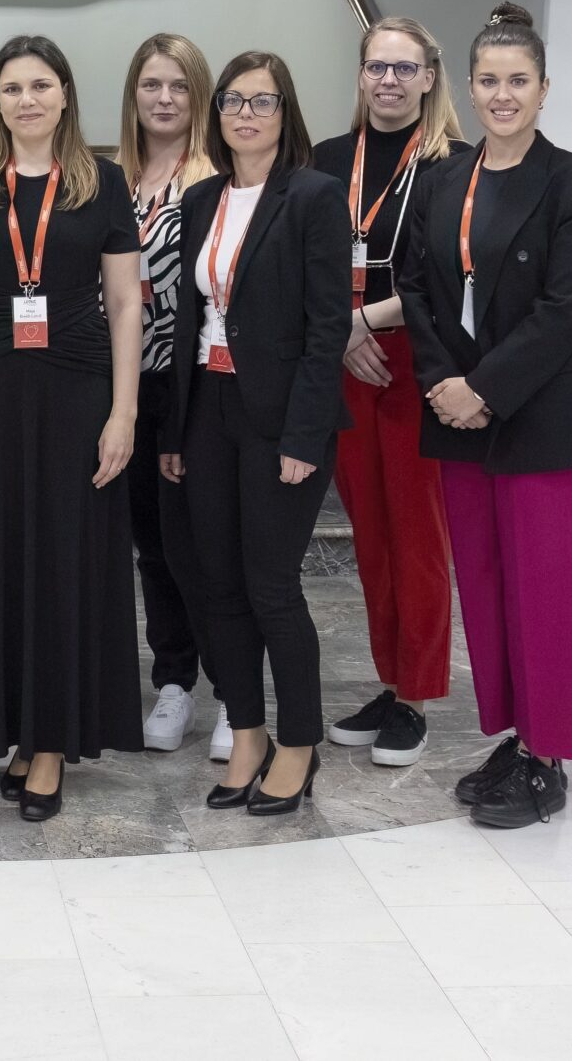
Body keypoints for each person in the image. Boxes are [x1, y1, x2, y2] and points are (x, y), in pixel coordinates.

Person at [398, 3, 572, 830]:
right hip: (460, 411)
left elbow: (568, 308)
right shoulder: (443, 179)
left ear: (544, 89)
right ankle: (517, 735)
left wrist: (483, 388)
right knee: (489, 584)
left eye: (519, 81)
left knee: (549, 591)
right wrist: (442, 379)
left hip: (544, 412)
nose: (503, 95)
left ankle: (550, 754)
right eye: (490, 80)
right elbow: (415, 285)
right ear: (469, 87)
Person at [0, 34, 146, 820]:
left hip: (78, 396)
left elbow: (125, 302)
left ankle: (50, 741)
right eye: (12, 87)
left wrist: (124, 412)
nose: (27, 100)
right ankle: (20, 728)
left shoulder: (102, 182)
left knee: (62, 564)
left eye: (41, 85)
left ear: (65, 95)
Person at [159, 52, 352, 816]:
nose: (246, 113)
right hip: (207, 407)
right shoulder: (201, 198)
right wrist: (175, 429)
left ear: (285, 111)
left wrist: (305, 435)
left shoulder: (314, 196)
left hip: (281, 419)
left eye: (262, 101)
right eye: (234, 100)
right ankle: (246, 732)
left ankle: (298, 742)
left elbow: (328, 326)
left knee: (271, 585)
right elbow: (190, 318)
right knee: (218, 584)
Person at [310, 18, 471, 768]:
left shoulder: (453, 165)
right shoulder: (327, 159)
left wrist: (358, 322)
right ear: (361, 74)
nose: (389, 80)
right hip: (345, 359)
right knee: (371, 534)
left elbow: (445, 278)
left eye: (405, 68)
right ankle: (389, 678)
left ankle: (419, 694)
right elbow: (307, 261)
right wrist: (341, 331)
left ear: (430, 77)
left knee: (416, 534)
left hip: (414, 361)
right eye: (377, 66)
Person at [117, 33, 219, 757]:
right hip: (128, 386)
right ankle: (175, 680)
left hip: (196, 387)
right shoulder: (108, 178)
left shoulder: (216, 177)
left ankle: (235, 689)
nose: (164, 98)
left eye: (179, 85)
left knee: (203, 547)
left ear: (199, 95)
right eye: (151, 84)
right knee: (151, 547)